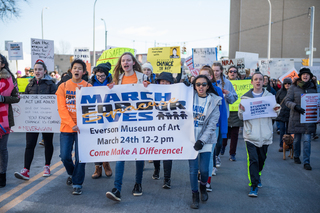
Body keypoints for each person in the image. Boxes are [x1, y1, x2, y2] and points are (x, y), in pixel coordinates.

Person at [106, 52, 148, 202]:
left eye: (128, 60)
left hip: (139, 122)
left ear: (133, 62)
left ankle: (138, 184)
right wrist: (109, 89)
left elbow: (150, 97)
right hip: (123, 123)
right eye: (123, 60)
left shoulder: (142, 78)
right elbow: (111, 100)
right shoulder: (117, 79)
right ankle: (117, 188)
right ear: (121, 64)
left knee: (138, 154)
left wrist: (147, 87)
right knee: (120, 154)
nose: (125, 62)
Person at [238, 72, 280, 197]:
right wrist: (241, 110)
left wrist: (277, 109)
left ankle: (258, 175)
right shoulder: (245, 98)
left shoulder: (270, 96)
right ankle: (254, 185)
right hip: (250, 135)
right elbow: (241, 116)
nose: (258, 81)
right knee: (253, 160)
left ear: (263, 82)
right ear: (251, 82)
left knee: (262, 159)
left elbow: (275, 113)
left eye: (260, 79)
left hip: (265, 134)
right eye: (255, 79)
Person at [14, 61, 57, 180]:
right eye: (35, 69)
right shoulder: (30, 85)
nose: (37, 72)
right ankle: (26, 170)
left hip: (47, 120)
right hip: (32, 121)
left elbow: (56, 102)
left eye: (40, 69)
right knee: (30, 144)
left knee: (48, 143)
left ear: (45, 71)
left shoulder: (51, 85)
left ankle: (47, 166)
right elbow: (25, 102)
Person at [56, 59, 92, 195]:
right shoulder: (63, 87)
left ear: (83, 72)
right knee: (65, 156)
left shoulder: (88, 87)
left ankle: (77, 183)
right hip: (67, 128)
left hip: (83, 129)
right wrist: (73, 124)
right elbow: (62, 109)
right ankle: (72, 173)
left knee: (80, 156)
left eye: (80, 68)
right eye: (74, 68)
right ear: (71, 70)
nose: (77, 70)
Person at [189, 75, 221, 209]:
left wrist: (202, 141)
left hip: (206, 141)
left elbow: (212, 125)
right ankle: (195, 195)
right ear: (194, 86)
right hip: (190, 139)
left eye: (203, 84)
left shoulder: (213, 101)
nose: (200, 87)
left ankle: (203, 187)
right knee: (192, 170)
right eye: (198, 84)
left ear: (208, 86)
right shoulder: (189, 97)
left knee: (204, 170)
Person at [198, 65, 227, 190]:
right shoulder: (195, 89)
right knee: (197, 154)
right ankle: (200, 175)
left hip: (213, 128)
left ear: (211, 77)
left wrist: (223, 131)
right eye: (201, 75)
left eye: (206, 75)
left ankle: (207, 180)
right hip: (197, 127)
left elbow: (222, 112)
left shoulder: (218, 91)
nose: (203, 79)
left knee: (208, 155)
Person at [284, 68, 317, 170]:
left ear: (310, 76)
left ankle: (306, 161)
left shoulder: (315, 87)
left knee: (307, 140)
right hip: (296, 118)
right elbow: (287, 101)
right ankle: (297, 155)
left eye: (307, 74)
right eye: (303, 74)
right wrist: (295, 106)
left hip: (308, 118)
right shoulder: (293, 87)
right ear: (300, 76)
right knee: (297, 140)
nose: (305, 76)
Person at [88, 62, 113, 179]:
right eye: (98, 76)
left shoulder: (112, 81)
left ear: (106, 75)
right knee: (95, 141)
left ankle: (106, 163)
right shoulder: (90, 83)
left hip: (109, 116)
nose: (100, 78)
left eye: (102, 76)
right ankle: (97, 167)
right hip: (95, 116)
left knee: (106, 141)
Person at [212, 62, 237, 168]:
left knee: (219, 141)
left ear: (221, 71)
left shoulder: (227, 83)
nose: (215, 73)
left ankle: (216, 155)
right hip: (211, 116)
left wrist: (228, 94)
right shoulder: (208, 82)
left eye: (217, 70)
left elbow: (234, 99)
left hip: (222, 116)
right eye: (213, 70)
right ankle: (212, 159)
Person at [151, 71, 174, 189]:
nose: (164, 83)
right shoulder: (153, 92)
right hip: (156, 126)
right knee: (156, 150)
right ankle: (156, 168)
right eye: (162, 81)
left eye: (166, 81)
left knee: (168, 152)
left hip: (169, 127)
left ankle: (167, 178)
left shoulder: (177, 92)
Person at [0, 54, 20, 187]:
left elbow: (17, 97)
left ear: (3, 64)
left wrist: (3, 99)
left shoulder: (10, 78)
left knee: (2, 149)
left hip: (4, 120)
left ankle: (2, 176)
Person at [222, 66, 243, 161]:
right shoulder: (224, 82)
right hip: (226, 110)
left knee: (235, 134)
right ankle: (222, 146)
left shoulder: (243, 83)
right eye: (231, 71)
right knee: (225, 132)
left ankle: (232, 153)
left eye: (235, 71)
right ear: (227, 72)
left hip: (236, 112)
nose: (232, 73)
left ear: (237, 73)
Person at [275, 78, 292, 152]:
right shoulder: (280, 92)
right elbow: (276, 101)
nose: (287, 85)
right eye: (286, 83)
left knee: (289, 131)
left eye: (289, 83)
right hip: (282, 114)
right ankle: (281, 145)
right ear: (283, 84)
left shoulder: (292, 92)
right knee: (282, 130)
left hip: (290, 114)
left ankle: (288, 145)